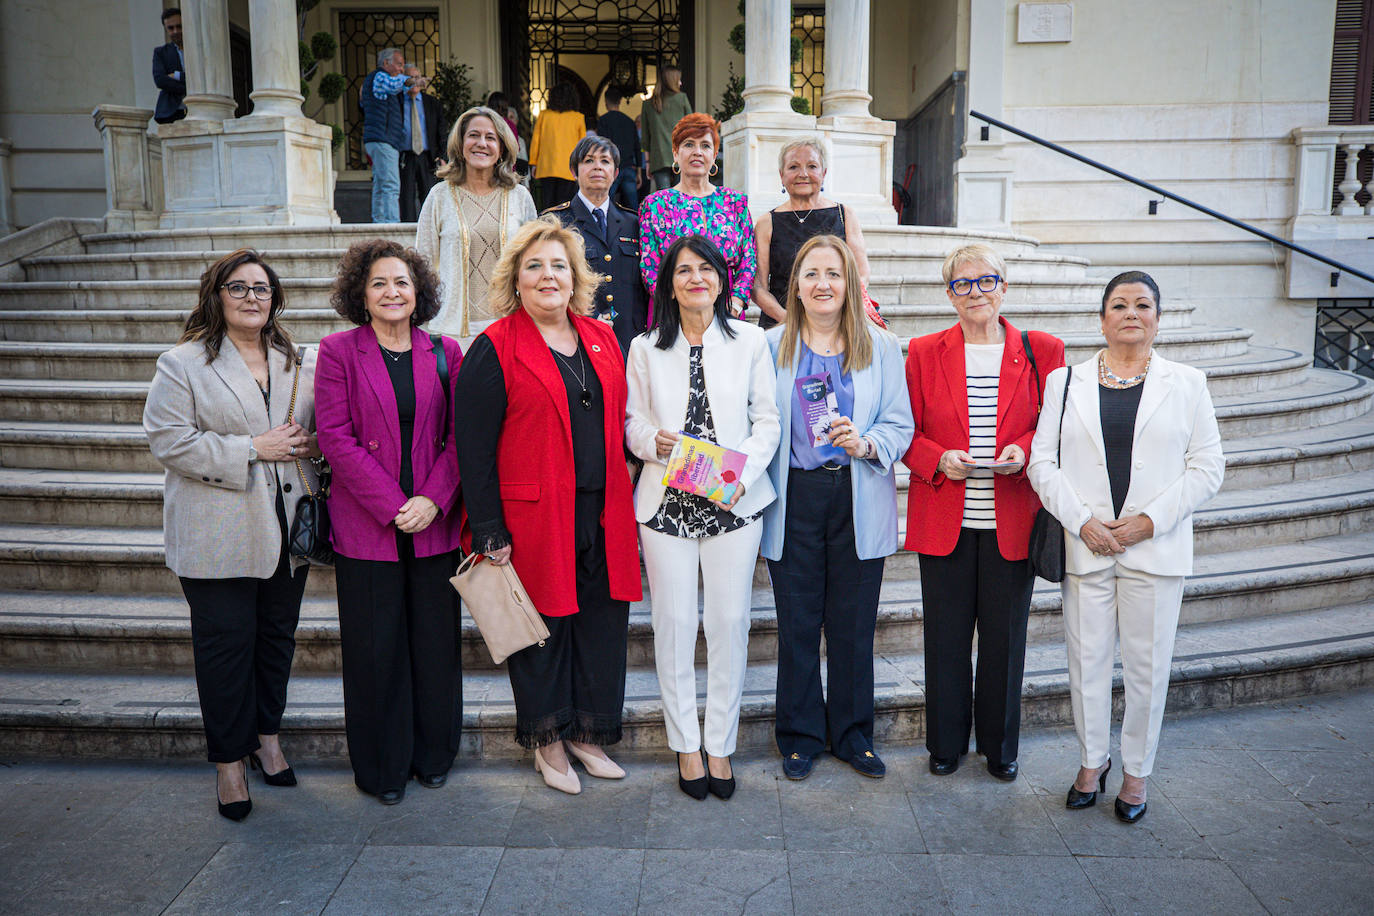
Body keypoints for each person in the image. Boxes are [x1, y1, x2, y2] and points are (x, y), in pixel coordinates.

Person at [454, 217, 641, 796]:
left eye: (559, 265)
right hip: (532, 516)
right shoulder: (493, 347)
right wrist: (487, 528)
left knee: (601, 626)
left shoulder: (603, 337)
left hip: (603, 509)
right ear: (515, 278)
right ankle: (549, 743)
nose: (548, 276)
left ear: (576, 276)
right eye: (534, 265)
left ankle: (588, 734)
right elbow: (473, 448)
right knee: (543, 631)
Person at [1028, 271, 1224, 823]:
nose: (1131, 313)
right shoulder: (1065, 381)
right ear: (1102, 318)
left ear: (1158, 318)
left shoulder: (1188, 383)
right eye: (1119, 305)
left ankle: (1136, 773)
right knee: (1085, 663)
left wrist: (1148, 522)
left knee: (1147, 667)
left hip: (1154, 551)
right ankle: (1092, 762)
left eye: (1143, 305)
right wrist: (1083, 521)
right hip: (1086, 545)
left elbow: (1208, 467)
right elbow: (1042, 461)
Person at [143, 249, 321, 821]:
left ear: (275, 299)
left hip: (287, 527)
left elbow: (316, 430)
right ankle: (228, 764)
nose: (251, 297)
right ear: (216, 295)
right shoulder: (183, 362)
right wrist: (250, 449)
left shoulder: (295, 360)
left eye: (262, 289)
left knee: (276, 640)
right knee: (224, 650)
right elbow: (168, 440)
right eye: (238, 288)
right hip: (217, 530)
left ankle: (267, 739)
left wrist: (315, 445)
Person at [625, 235, 781, 801]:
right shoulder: (645, 347)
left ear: (721, 279)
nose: (696, 278)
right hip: (666, 503)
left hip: (733, 501)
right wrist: (652, 441)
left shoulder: (751, 343)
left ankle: (720, 744)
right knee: (672, 624)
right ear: (669, 284)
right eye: (684, 270)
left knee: (729, 622)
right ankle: (685, 745)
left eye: (706, 269)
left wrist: (737, 476)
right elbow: (631, 424)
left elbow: (768, 421)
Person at [903, 243, 1065, 781]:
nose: (976, 292)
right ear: (949, 295)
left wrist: (1022, 448)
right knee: (944, 640)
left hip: (1010, 519)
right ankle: (945, 743)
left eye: (986, 281)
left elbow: (1054, 424)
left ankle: (1000, 747)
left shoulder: (1042, 349)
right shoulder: (925, 351)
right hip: (946, 515)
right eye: (962, 283)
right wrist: (936, 458)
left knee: (1005, 642)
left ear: (1005, 286)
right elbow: (906, 430)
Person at [314, 240, 464, 806]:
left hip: (434, 523)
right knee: (376, 652)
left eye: (401, 282)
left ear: (418, 290)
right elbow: (335, 437)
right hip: (366, 525)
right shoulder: (337, 352)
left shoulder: (445, 350)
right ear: (361, 293)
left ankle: (433, 756)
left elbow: (460, 437)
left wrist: (431, 500)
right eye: (379, 283)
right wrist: (392, 504)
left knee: (434, 645)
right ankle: (382, 767)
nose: (392, 292)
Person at [761, 235, 914, 780]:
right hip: (795, 495)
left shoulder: (882, 347)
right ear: (795, 285)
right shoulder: (770, 345)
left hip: (857, 491)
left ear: (850, 283)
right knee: (797, 622)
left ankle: (853, 735)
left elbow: (901, 423)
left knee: (852, 625)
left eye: (833, 273)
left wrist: (866, 442)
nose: (822, 284)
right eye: (811, 274)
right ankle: (801, 736)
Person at [416, 106, 538, 341]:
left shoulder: (519, 197)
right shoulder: (439, 197)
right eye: (473, 135)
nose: (481, 143)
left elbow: (534, 263)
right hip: (451, 332)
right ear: (460, 144)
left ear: (501, 148)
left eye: (490, 137)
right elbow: (423, 264)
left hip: (511, 329)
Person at [639, 114, 755, 324]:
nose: (697, 152)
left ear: (715, 154)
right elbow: (650, 266)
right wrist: (677, 305)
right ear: (675, 153)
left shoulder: (735, 202)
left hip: (728, 311)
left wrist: (736, 303)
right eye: (689, 144)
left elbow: (748, 260)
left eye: (705, 145)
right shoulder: (655, 204)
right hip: (672, 312)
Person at [543, 134, 648, 355]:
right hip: (575, 340)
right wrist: (590, 320)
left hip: (630, 342)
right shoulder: (555, 223)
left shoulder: (634, 223)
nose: (597, 167)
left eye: (605, 161)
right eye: (589, 160)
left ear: (616, 173)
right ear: (574, 171)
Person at [753, 138, 872, 329]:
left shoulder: (844, 215)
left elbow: (861, 274)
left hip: (835, 322)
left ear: (823, 173)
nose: (803, 174)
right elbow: (758, 286)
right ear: (781, 175)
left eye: (812, 166)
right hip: (782, 324)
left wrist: (834, 313)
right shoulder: (766, 223)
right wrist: (789, 321)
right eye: (793, 167)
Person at [361, 49, 424, 224]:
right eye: (399, 64)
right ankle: (390, 224)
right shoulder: (380, 76)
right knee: (390, 184)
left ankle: (380, 221)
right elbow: (395, 85)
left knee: (381, 184)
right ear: (386, 63)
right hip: (383, 139)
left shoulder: (378, 80)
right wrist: (412, 80)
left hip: (380, 139)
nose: (401, 69)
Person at [529, 82, 586, 209]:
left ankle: (548, 228)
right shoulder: (578, 118)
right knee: (565, 207)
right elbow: (582, 147)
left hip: (547, 167)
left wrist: (534, 163)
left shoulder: (544, 115)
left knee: (548, 205)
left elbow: (536, 141)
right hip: (569, 169)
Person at [399, 65, 444, 222]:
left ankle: (429, 228)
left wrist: (441, 155)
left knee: (429, 195)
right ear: (404, 81)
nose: (415, 82)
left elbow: (441, 131)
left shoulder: (432, 103)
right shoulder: (396, 101)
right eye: (411, 78)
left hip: (428, 156)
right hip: (404, 156)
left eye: (418, 77)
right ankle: (407, 232)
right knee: (406, 196)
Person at [642, 65, 692, 191]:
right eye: (678, 80)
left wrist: (647, 163)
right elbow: (692, 130)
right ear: (672, 81)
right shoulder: (682, 99)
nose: (680, 83)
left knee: (665, 199)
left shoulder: (648, 104)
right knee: (680, 198)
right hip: (681, 156)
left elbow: (645, 138)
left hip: (658, 158)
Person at [595, 85, 642, 210]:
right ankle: (637, 228)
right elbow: (637, 147)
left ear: (605, 102)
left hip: (611, 168)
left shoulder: (603, 121)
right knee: (633, 206)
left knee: (605, 204)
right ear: (620, 101)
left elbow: (601, 146)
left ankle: (607, 228)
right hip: (628, 167)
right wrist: (638, 172)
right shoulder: (629, 121)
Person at [152, 7, 186, 124]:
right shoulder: (161, 52)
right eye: (171, 28)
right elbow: (160, 80)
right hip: (171, 113)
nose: (175, 31)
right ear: (166, 29)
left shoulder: (197, 51)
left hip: (198, 110)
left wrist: (177, 76)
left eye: (179, 26)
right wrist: (188, 88)